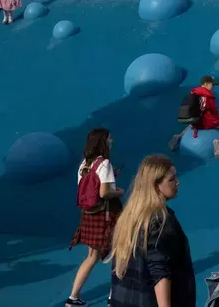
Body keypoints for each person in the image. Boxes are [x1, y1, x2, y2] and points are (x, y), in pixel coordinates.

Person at [108, 154, 195, 307]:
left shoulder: (128, 218)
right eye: (172, 179)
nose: (177, 182)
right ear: (156, 185)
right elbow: (160, 273)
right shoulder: (159, 221)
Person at [66, 128, 124, 307]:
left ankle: (73, 297)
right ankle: (114, 295)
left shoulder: (84, 164)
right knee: (120, 252)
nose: (111, 141)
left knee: (91, 255)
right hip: (107, 214)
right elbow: (104, 192)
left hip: (90, 214)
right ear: (102, 142)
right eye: (109, 138)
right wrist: (119, 191)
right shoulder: (104, 163)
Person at [169, 76, 219, 159]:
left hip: (196, 122)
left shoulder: (193, 92)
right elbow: (212, 111)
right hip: (207, 122)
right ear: (206, 84)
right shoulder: (208, 95)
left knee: (191, 125)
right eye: (212, 84)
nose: (213, 87)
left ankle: (178, 137)